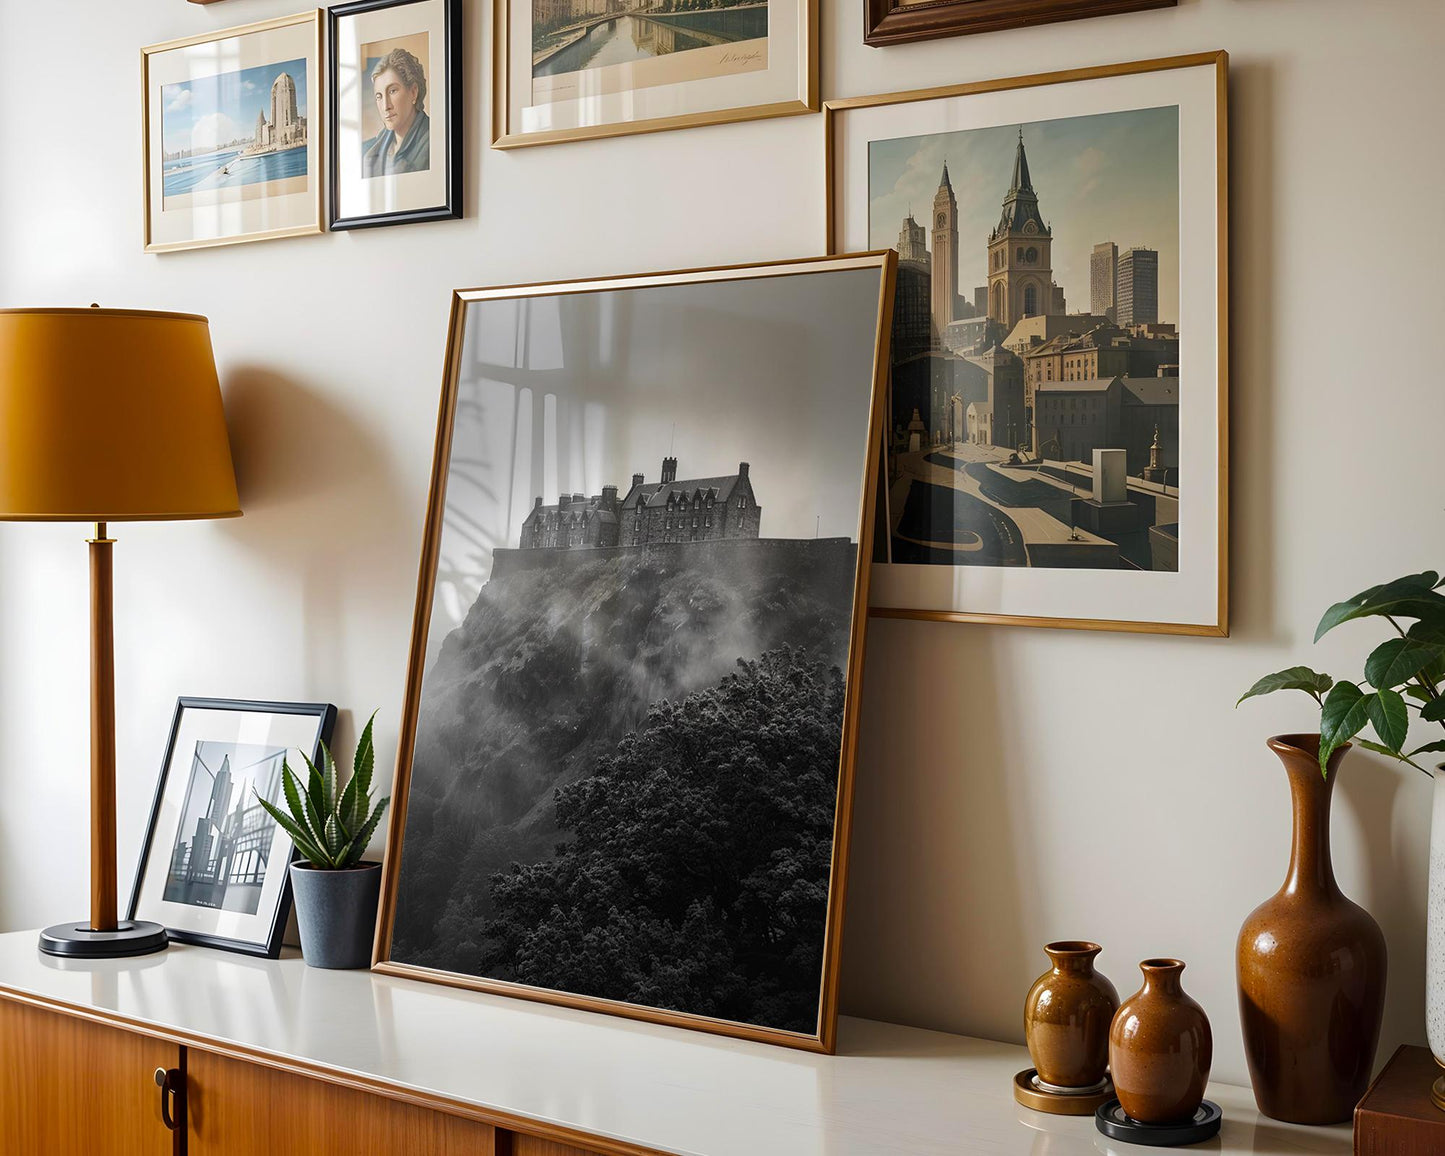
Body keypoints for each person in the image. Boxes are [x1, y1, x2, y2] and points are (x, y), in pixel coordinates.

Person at [362, 48, 430, 177]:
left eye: (393, 91)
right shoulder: (368, 151)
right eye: (379, 96)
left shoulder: (434, 141)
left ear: (413, 92)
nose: (386, 106)